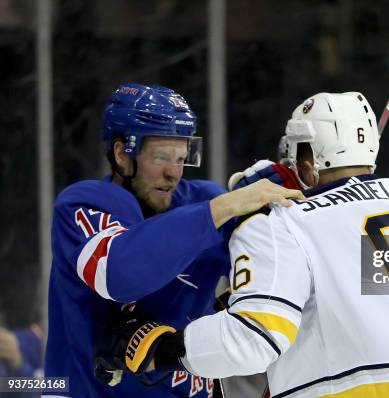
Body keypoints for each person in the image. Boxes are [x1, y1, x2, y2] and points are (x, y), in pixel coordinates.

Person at [95, 92, 389, 397]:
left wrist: (166, 349)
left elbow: (254, 339)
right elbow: (353, 290)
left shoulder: (279, 222)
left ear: (306, 162)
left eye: (294, 156)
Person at [44, 83, 303, 398]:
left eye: (182, 157)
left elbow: (279, 260)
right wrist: (228, 205)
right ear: (121, 154)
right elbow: (120, 274)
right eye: (162, 156)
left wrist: (297, 194)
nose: (174, 172)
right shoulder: (83, 204)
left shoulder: (202, 201)